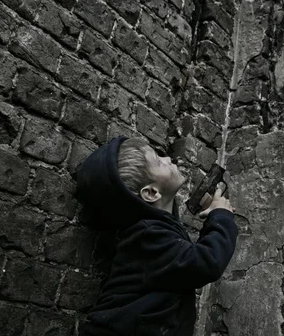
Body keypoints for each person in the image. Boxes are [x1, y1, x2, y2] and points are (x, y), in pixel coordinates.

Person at [75, 136, 238, 336]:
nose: (168, 159)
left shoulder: (156, 231)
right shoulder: (147, 235)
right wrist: (221, 216)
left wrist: (214, 217)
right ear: (151, 193)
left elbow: (187, 260)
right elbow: (206, 262)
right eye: (159, 161)